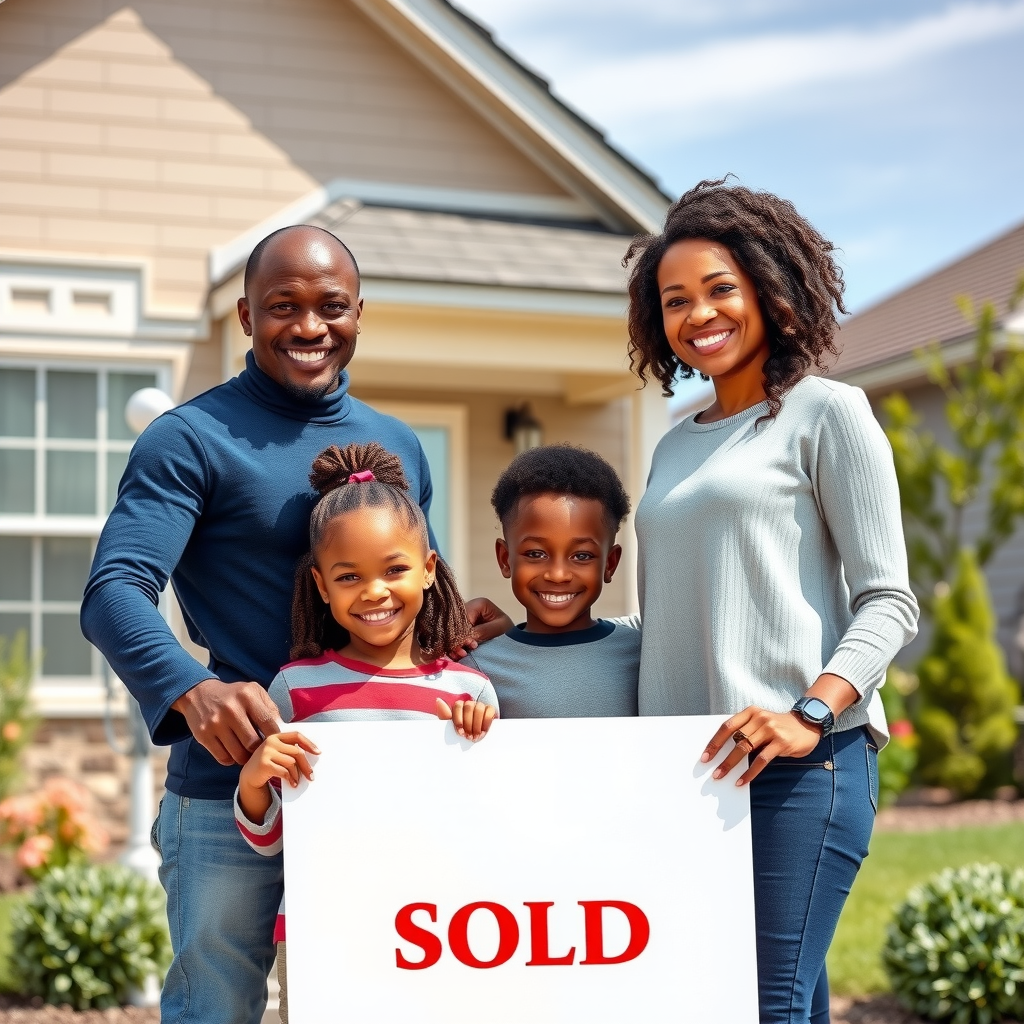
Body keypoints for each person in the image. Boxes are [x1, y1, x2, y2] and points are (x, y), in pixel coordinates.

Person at [80, 225, 478, 1024]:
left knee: (382, 1005)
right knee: (216, 1008)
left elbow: (406, 594)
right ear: (245, 316)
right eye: (282, 307)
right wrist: (194, 691)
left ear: (360, 314)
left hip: (383, 791)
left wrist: (463, 631)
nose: (308, 327)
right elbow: (113, 590)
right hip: (232, 782)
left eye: (331, 306)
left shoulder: (397, 443)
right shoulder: (189, 439)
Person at [622, 178, 920, 1024]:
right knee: (772, 1000)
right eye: (676, 300)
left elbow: (888, 601)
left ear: (769, 286)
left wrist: (810, 714)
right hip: (690, 775)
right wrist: (537, 635)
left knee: (757, 1005)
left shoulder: (829, 414)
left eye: (720, 288)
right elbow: (671, 618)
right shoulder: (676, 444)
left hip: (801, 768)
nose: (698, 313)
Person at [234, 442, 497, 1023]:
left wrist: (482, 738)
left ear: (430, 569)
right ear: (322, 587)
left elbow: (492, 823)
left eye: (395, 569)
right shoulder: (295, 689)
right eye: (349, 576)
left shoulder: (468, 692)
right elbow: (271, 838)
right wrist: (255, 781)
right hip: (323, 929)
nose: (374, 592)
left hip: (444, 932)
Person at [465, 444, 639, 718]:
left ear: (610, 563)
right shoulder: (475, 667)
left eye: (582, 555)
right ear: (505, 558)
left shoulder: (642, 655)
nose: (558, 575)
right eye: (536, 553)